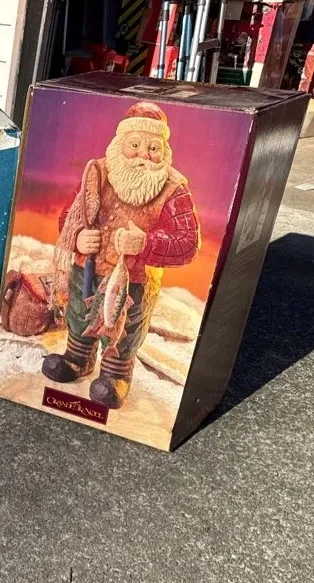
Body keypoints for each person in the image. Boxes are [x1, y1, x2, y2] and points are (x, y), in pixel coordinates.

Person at [43, 102, 200, 408]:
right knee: (80, 312)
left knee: (126, 326)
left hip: (134, 281)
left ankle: (116, 375)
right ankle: (77, 358)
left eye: (153, 148)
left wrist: (146, 244)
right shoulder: (97, 173)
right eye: (135, 145)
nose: (143, 155)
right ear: (120, 143)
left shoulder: (173, 188)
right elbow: (69, 216)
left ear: (164, 151)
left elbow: (188, 243)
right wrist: (78, 238)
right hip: (87, 268)